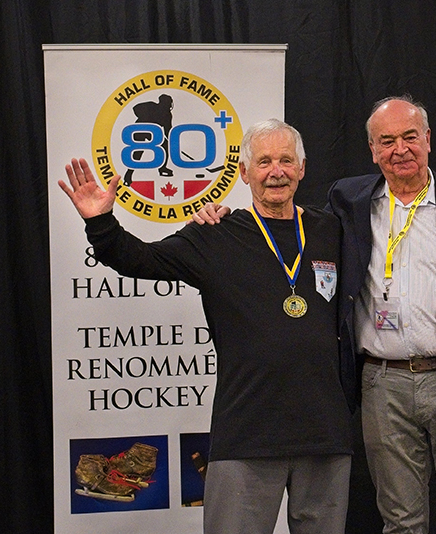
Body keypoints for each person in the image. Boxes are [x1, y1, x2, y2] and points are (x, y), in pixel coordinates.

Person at [194, 97, 436, 534]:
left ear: (428, 139)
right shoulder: (348, 202)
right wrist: (219, 215)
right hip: (382, 384)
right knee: (401, 522)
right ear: (372, 150)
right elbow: (287, 222)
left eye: (409, 137)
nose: (400, 149)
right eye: (387, 140)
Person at [59, 119, 354, 534]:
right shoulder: (216, 234)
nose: (276, 171)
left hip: (325, 433)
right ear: (244, 172)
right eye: (264, 162)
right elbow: (141, 259)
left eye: (286, 160)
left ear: (302, 168)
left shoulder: (332, 231)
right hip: (247, 433)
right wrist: (101, 223)